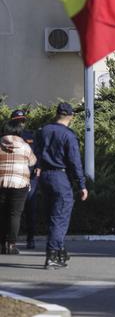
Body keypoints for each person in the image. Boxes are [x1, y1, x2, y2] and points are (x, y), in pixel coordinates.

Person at [36, 103, 88, 269]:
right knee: (60, 217)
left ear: (56, 114)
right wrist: (81, 185)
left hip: (43, 176)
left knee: (52, 216)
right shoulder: (68, 135)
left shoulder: (43, 131)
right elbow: (74, 162)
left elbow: (35, 153)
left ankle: (59, 250)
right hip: (60, 176)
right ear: (71, 116)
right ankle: (53, 254)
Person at [0, 116, 37, 255]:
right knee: (15, 214)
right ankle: (11, 245)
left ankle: (1, 244)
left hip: (1, 182)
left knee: (2, 213)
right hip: (20, 183)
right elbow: (33, 161)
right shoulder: (25, 146)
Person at [10, 110, 38, 249]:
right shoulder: (6, 137)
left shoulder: (30, 136)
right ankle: (10, 240)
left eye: (23, 120)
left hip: (29, 176)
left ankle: (30, 238)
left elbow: (38, 153)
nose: (21, 123)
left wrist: (39, 167)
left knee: (30, 208)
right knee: (12, 210)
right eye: (18, 120)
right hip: (13, 175)